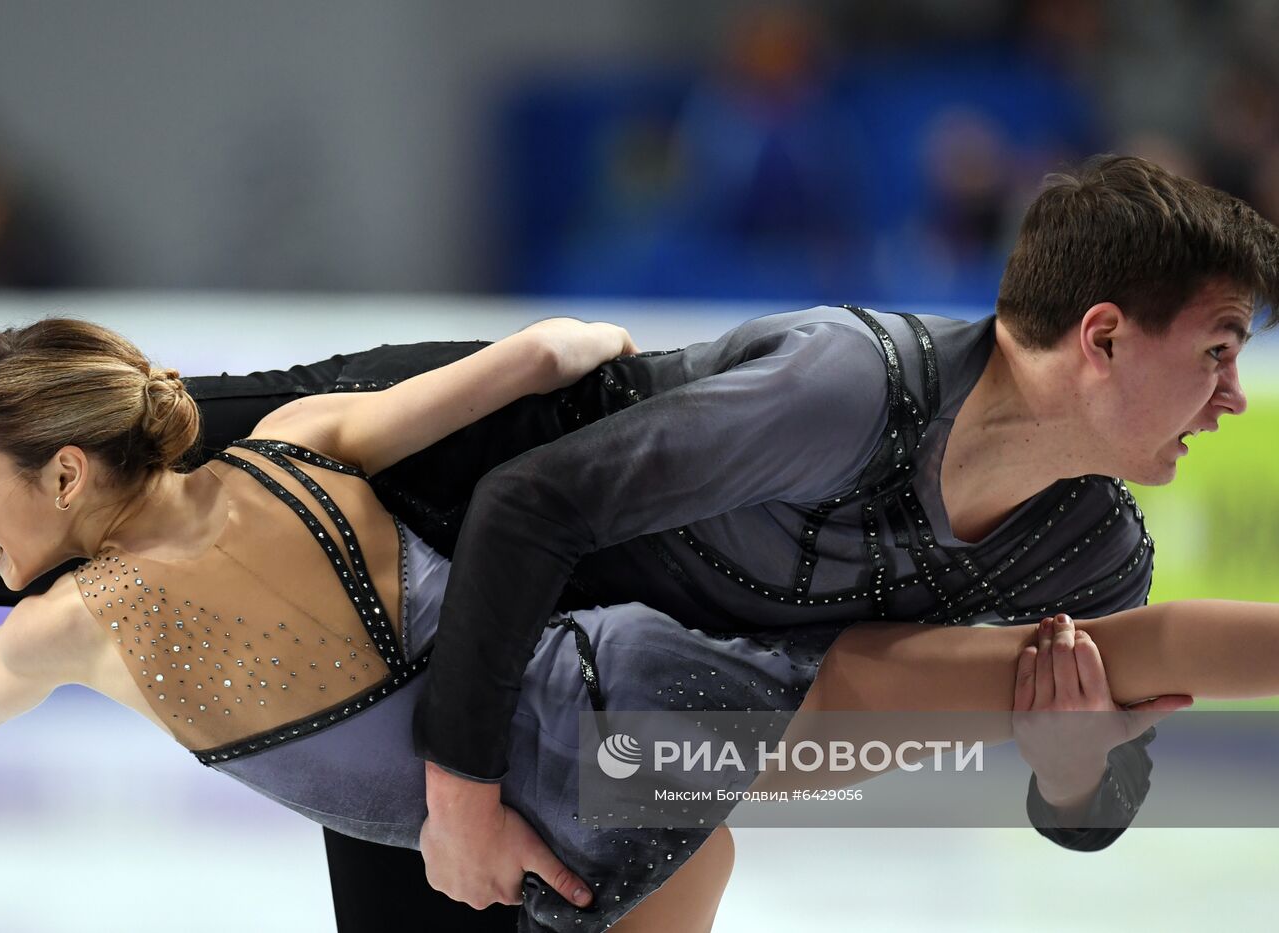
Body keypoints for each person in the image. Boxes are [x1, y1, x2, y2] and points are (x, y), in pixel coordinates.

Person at [0, 313, 1279, 931]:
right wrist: (573, 353)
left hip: (578, 801)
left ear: (69, 472)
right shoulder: (302, 443)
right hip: (627, 682)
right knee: (1097, 664)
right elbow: (541, 356)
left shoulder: (75, 619)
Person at [410, 154, 1279, 905]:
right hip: (425, 599)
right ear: (1105, 338)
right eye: (1216, 350)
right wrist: (462, 799)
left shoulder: (1094, 552)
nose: (1235, 394)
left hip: (595, 741)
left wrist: (1071, 769)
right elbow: (527, 502)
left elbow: (1098, 804)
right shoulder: (850, 389)